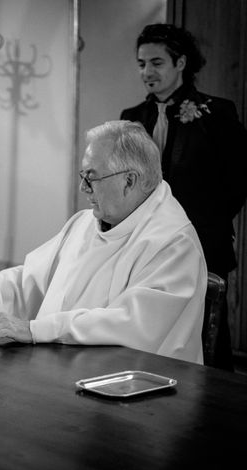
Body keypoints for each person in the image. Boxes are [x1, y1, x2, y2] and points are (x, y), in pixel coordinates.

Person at [0, 120, 207, 364]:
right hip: (67, 367)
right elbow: (29, 280)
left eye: (91, 177)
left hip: (143, 391)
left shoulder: (173, 242)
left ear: (129, 180)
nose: (83, 188)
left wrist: (33, 330)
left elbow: (130, 325)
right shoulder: (85, 223)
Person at [120, 23, 247, 370]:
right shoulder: (132, 118)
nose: (147, 72)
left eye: (157, 62)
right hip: (145, 242)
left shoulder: (216, 113)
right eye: (142, 63)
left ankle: (217, 408)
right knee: (150, 323)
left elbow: (239, 179)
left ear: (181, 63)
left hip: (203, 240)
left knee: (207, 330)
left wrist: (207, 221)